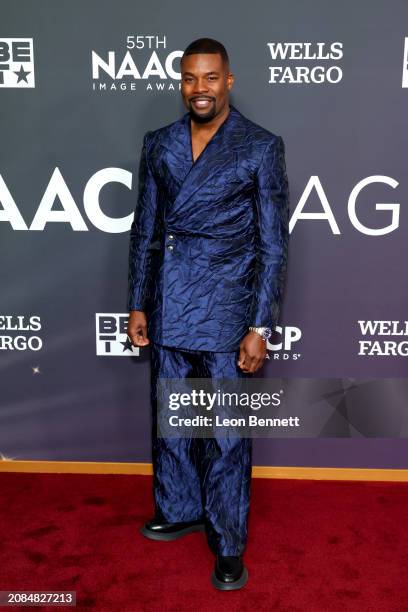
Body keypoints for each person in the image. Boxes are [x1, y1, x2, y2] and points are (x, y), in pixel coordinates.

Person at [127, 37, 290, 590]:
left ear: (229, 80)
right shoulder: (159, 143)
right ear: (182, 82)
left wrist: (260, 325)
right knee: (173, 422)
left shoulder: (259, 146)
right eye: (191, 78)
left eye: (211, 77)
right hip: (170, 303)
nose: (201, 88)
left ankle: (227, 542)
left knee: (224, 433)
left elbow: (273, 245)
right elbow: (145, 229)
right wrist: (136, 302)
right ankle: (179, 507)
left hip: (227, 307)